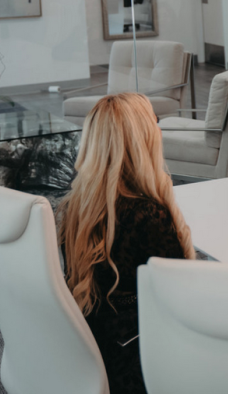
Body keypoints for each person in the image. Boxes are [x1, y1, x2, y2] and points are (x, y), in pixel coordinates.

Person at [58, 93, 196, 394]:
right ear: (139, 140)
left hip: (94, 348)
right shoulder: (148, 215)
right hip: (138, 360)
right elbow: (181, 298)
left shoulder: (74, 208)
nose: (159, 130)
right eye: (154, 123)